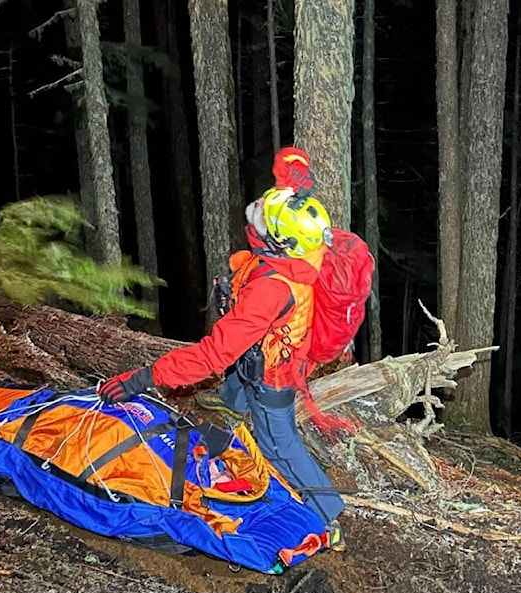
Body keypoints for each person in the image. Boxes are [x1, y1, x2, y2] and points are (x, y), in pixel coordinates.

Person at [98, 163, 346, 550]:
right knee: (241, 379)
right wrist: (235, 284)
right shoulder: (299, 255)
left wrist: (144, 378)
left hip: (276, 378)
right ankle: (232, 401)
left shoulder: (273, 291)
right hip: (269, 350)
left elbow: (213, 355)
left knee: (278, 443)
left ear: (280, 240)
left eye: (264, 223)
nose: (256, 223)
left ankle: (326, 514)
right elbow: (258, 269)